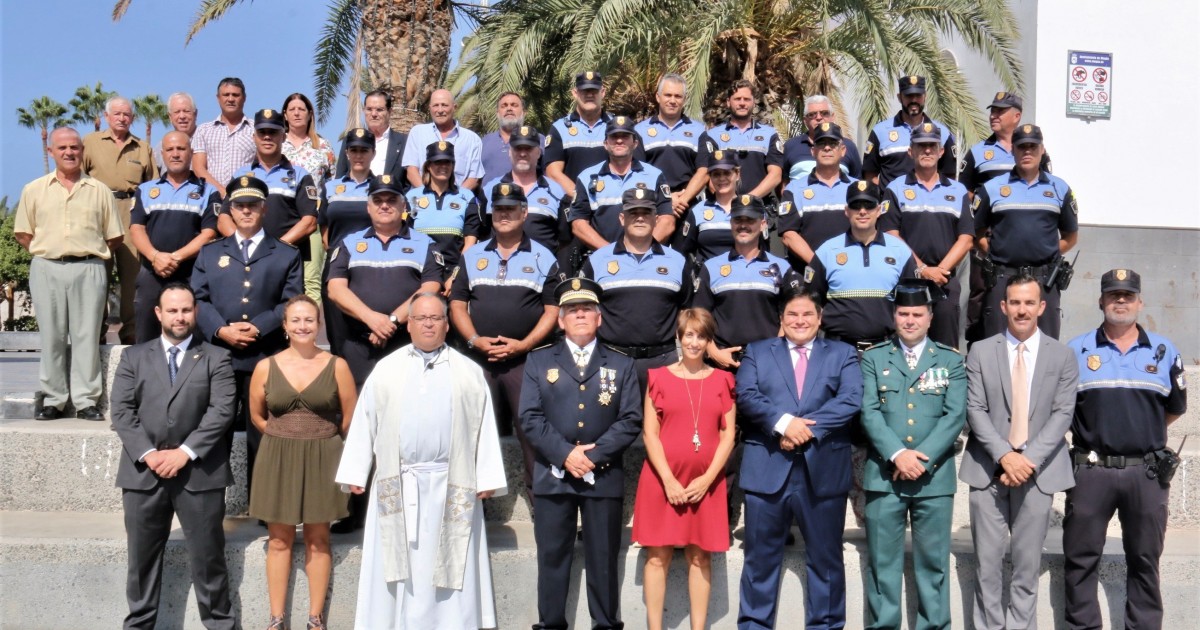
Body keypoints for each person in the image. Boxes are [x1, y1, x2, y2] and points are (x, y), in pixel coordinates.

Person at [335, 292, 508, 630]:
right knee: (397, 564)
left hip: (451, 482)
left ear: (447, 325)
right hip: (398, 482)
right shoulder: (386, 370)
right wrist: (356, 471)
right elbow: (365, 421)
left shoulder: (469, 373)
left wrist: (486, 476)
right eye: (421, 318)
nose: (428, 324)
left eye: (436, 318)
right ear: (409, 324)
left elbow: (485, 426)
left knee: (449, 563)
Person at [1063, 269, 1187, 629]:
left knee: (1145, 561)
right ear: (1101, 301)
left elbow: (1175, 408)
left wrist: (1140, 435)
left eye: (1128, 295)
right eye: (1113, 294)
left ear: (1140, 302)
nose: (1121, 301)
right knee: (1080, 559)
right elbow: (1064, 409)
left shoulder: (1164, 352)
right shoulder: (1077, 349)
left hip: (1145, 474)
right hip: (1091, 471)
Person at [109, 282, 236, 630]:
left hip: (199, 474)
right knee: (141, 563)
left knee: (209, 560)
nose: (180, 317)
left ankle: (220, 624)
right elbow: (121, 411)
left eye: (186, 310)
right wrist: (150, 454)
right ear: (158, 314)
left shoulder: (217, 357)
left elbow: (221, 411)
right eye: (173, 310)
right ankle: (139, 625)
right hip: (143, 475)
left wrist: (184, 453)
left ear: (195, 312)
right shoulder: (133, 357)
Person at [519, 277, 643, 630]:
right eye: (572, 310)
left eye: (587, 309)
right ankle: (551, 624)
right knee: (553, 558)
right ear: (560, 320)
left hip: (602, 475)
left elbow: (631, 418)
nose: (580, 315)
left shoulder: (621, 363)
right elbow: (529, 416)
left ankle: (605, 624)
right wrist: (565, 454)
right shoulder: (540, 360)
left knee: (603, 560)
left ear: (599, 318)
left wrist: (594, 454)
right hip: (553, 474)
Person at [735, 289, 863, 630]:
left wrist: (806, 429)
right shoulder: (758, 352)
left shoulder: (842, 353)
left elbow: (851, 399)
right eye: (793, 314)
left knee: (826, 562)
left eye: (808, 314)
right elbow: (746, 395)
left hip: (823, 471)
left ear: (820, 318)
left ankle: (826, 625)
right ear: (782, 319)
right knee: (759, 562)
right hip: (767, 470)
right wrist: (783, 424)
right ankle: (753, 625)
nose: (800, 321)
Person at [959, 274, 1078, 630]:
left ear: (1042, 307)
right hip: (987, 470)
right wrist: (1004, 455)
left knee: (1027, 569)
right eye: (1015, 302)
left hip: (1038, 473)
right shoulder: (981, 350)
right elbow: (974, 409)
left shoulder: (1063, 355)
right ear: (1003, 306)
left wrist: (1026, 460)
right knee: (987, 567)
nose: (1021, 310)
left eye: (1029, 303)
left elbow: (1062, 414)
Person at [859, 278, 967, 630]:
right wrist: (897, 454)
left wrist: (920, 458)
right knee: (882, 565)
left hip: (933, 479)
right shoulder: (874, 358)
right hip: (884, 476)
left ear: (930, 316)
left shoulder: (950, 360)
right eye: (903, 313)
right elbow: (868, 411)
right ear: (894, 315)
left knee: (933, 565)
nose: (909, 320)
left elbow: (955, 416)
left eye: (917, 314)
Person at [191, 175, 303, 504]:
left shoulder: (285, 254)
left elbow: (291, 301)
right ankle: (210, 502)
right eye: (240, 205)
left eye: (253, 205)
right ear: (230, 210)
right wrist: (221, 330)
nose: (246, 211)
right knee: (215, 430)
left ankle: (265, 501)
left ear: (264, 209)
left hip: (265, 355)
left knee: (264, 431)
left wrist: (260, 326)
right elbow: (198, 299)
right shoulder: (210, 253)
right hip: (219, 355)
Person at [248, 295, 358, 630]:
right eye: (295, 320)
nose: (302, 326)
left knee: (318, 538)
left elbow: (350, 416)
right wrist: (286, 435)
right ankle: (277, 618)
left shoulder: (336, 365)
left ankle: (315, 618)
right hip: (277, 456)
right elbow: (256, 415)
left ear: (319, 324)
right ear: (284, 326)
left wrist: (319, 436)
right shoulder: (266, 366)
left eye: (309, 320)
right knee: (279, 539)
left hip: (324, 454)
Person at [450, 182, 560, 504]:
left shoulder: (543, 256)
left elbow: (553, 310)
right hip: (479, 362)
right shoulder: (472, 256)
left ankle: (541, 507)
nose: (504, 214)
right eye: (499, 208)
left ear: (524, 213)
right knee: (474, 435)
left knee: (531, 436)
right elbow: (457, 304)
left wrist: (524, 345)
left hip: (525, 362)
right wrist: (473, 340)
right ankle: (473, 509)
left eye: (511, 208)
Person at [631, 308, 737, 630]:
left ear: (708, 341)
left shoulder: (723, 380)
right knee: (656, 557)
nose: (694, 342)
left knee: (699, 557)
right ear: (679, 337)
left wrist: (707, 479)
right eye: (688, 334)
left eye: (701, 336)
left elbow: (728, 434)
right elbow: (649, 433)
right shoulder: (658, 377)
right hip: (662, 482)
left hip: (706, 484)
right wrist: (668, 480)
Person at [14, 127, 123, 421]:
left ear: (82, 151)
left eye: (74, 147)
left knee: (87, 335)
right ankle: (53, 400)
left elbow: (113, 236)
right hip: (47, 266)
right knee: (52, 336)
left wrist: (84, 251)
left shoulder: (99, 190)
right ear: (51, 151)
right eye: (62, 148)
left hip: (89, 267)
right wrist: (52, 251)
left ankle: (87, 400)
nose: (69, 152)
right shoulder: (34, 189)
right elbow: (24, 233)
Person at [328, 174, 444, 387]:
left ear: (403, 205)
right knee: (360, 412)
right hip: (358, 344)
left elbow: (431, 288)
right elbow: (335, 289)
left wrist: (390, 322)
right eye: (378, 200)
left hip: (407, 343)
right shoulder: (349, 243)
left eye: (391, 200)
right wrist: (371, 318)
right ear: (368, 207)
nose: (384, 206)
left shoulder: (425, 244)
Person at [974, 123, 1078, 339]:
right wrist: (997, 251)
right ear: (1013, 150)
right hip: (1002, 278)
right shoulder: (992, 188)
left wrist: (1045, 250)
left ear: (1042, 150)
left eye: (1033, 146)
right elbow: (977, 233)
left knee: (1046, 346)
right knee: (997, 344)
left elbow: (1070, 237)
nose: (1027, 151)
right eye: (1022, 147)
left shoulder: (1060, 189)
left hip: (1044, 280)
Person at [960, 92, 1048, 347]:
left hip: (1023, 242)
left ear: (1016, 116)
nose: (993, 116)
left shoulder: (1037, 150)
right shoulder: (978, 153)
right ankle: (978, 344)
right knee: (982, 291)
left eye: (1000, 111)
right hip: (988, 239)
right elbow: (964, 191)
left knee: (1026, 293)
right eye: (992, 111)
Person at [582, 188, 691, 390]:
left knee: (663, 421)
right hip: (611, 360)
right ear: (622, 218)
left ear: (656, 219)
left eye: (646, 213)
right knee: (613, 422)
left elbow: (687, 310)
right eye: (633, 213)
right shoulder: (597, 260)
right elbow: (584, 310)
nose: (640, 218)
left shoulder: (677, 261)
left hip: (664, 361)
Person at [880, 122, 973, 348]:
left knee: (946, 347)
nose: (927, 151)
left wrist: (939, 271)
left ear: (941, 152)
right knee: (906, 345)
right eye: (921, 146)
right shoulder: (895, 188)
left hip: (944, 280)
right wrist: (922, 269)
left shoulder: (957, 190)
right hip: (908, 280)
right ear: (911, 151)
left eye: (932, 145)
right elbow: (891, 234)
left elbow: (966, 238)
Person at [128, 131, 220, 343]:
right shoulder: (146, 190)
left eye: (181, 149)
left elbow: (209, 233)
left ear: (190, 153)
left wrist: (175, 257)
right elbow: (136, 229)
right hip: (152, 272)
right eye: (170, 149)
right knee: (146, 335)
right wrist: (155, 256)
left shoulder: (208, 191)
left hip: (192, 274)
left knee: (194, 336)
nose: (175, 154)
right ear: (162, 154)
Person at [692, 194, 801, 370]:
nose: (743, 225)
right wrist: (713, 352)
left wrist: (777, 351)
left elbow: (791, 314)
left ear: (763, 223)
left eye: (750, 219)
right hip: (722, 364)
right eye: (738, 219)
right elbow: (699, 316)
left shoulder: (782, 267)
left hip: (769, 365)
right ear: (731, 223)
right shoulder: (711, 267)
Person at [82, 95, 158, 344]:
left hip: (131, 212)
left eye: (127, 114)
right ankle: (97, 334)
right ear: (106, 117)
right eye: (117, 114)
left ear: (132, 118)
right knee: (97, 278)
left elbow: (152, 188)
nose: (122, 118)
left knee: (133, 278)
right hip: (98, 213)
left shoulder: (142, 147)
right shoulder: (90, 143)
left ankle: (131, 334)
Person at [805, 180, 916, 351]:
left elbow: (912, 304)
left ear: (879, 210)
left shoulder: (900, 251)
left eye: (869, 205)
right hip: (836, 349)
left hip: (887, 350)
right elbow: (811, 301)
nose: (863, 211)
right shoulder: (827, 250)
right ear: (846, 211)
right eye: (856, 205)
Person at [220, 109, 320, 266]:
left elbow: (309, 222)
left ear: (283, 137)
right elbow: (223, 218)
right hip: (243, 260)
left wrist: (276, 248)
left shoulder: (300, 175)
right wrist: (244, 246)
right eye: (262, 132)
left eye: (273, 132)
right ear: (254, 137)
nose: (267, 137)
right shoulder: (241, 175)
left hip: (286, 261)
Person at [571, 116, 674, 259]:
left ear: (635, 143)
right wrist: (611, 253)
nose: (619, 140)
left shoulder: (655, 175)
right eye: (614, 136)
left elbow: (667, 221)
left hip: (647, 259)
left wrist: (643, 251)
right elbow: (578, 224)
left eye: (625, 136)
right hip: (602, 259)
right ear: (606, 143)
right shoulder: (586, 177)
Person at [320, 128, 375, 358]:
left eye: (364, 150)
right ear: (347, 153)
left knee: (369, 333)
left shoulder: (382, 187)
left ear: (373, 153)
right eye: (354, 150)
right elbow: (324, 228)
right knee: (338, 336)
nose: (359, 155)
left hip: (371, 267)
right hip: (337, 267)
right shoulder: (331, 187)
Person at [635, 74, 710, 236]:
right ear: (658, 97)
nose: (672, 100)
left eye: (678, 96)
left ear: (684, 99)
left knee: (685, 259)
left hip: (686, 205)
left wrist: (681, 201)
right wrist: (666, 200)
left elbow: (704, 171)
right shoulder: (640, 131)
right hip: (652, 204)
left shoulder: (699, 131)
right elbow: (637, 173)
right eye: (668, 95)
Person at [778, 122, 858, 271]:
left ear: (843, 150)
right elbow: (788, 235)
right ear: (813, 151)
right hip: (809, 273)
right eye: (821, 143)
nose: (827, 148)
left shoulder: (857, 188)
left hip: (851, 272)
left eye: (833, 143)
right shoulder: (794, 190)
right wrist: (819, 266)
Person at [281, 92, 337, 304]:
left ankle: (310, 333)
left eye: (301, 109)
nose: (296, 113)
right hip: (284, 217)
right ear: (285, 115)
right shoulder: (277, 144)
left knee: (312, 280)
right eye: (292, 109)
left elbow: (332, 183)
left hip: (312, 220)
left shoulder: (322, 146)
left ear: (310, 114)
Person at [480, 125, 570, 253]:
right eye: (518, 148)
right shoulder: (490, 189)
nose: (522, 153)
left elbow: (565, 240)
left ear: (538, 152)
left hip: (544, 269)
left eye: (528, 149)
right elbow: (481, 234)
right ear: (510, 152)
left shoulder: (557, 191)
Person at [406, 141, 485, 280]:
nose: (443, 166)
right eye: (438, 162)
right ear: (429, 166)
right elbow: (405, 236)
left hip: (454, 271)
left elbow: (470, 241)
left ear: (453, 166)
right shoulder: (413, 197)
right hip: (419, 271)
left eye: (447, 162)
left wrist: (456, 275)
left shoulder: (466, 197)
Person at [862, 76, 957, 188]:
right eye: (909, 96)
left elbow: (949, 176)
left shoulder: (943, 133)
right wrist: (885, 196)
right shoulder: (880, 132)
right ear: (899, 97)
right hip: (892, 203)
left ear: (925, 96)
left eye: (918, 96)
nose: (914, 100)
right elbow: (869, 174)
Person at [697, 80, 785, 200]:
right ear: (728, 102)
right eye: (737, 99)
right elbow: (707, 174)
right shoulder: (712, 135)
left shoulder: (769, 134)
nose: (742, 103)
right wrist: (730, 203)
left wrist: (747, 200)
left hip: (759, 207)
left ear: (753, 103)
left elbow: (775, 175)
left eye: (747, 99)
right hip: (722, 207)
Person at [544, 71, 617, 197]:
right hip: (574, 206)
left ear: (603, 92)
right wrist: (581, 197)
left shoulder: (617, 127)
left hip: (611, 204)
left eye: (594, 90)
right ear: (575, 93)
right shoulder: (560, 128)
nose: (589, 95)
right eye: (584, 91)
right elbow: (553, 173)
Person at [401, 89, 484, 191]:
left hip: (458, 203)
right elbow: (411, 171)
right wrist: (427, 196)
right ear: (430, 108)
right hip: (422, 202)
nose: (440, 110)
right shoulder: (417, 133)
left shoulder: (472, 139)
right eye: (436, 105)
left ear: (454, 107)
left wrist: (456, 199)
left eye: (444, 105)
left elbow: (475, 177)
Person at [192, 77, 255, 197]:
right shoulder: (204, 130)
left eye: (235, 95)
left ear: (244, 98)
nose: (230, 99)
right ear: (218, 98)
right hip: (211, 198)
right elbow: (198, 167)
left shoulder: (256, 130)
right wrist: (221, 191)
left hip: (246, 198)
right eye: (226, 95)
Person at [335, 89, 408, 186]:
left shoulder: (404, 142)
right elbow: (340, 176)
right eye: (369, 109)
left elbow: (408, 182)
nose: (373, 114)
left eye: (379, 110)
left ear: (390, 112)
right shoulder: (350, 140)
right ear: (364, 111)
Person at [678, 149, 739, 263]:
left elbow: (761, 250)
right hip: (708, 278)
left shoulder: (751, 209)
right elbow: (686, 252)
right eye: (716, 174)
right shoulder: (697, 211)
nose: (721, 178)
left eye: (727, 173)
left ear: (737, 174)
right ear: (710, 178)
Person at [782, 95, 862, 181]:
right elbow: (783, 184)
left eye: (824, 113)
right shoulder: (791, 146)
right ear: (805, 120)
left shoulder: (848, 146)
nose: (819, 117)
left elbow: (857, 182)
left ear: (833, 116)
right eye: (812, 114)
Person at [480, 91, 542, 183]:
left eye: (514, 105)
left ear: (524, 113)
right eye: (504, 106)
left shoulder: (540, 140)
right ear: (497, 113)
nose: (509, 108)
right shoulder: (483, 142)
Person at [154, 92, 199, 171]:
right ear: (170, 117)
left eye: (186, 111)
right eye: (177, 112)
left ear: (195, 114)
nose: (182, 116)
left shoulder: (207, 141)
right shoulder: (161, 146)